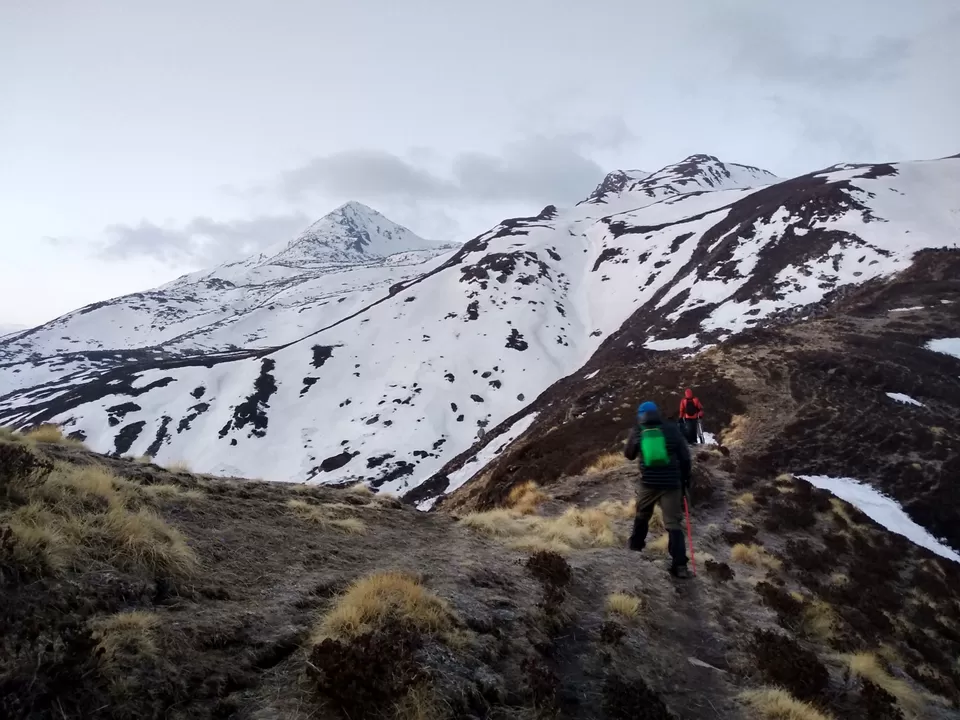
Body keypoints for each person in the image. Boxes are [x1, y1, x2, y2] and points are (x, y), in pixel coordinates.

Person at [623, 401, 693, 579]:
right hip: (671, 484)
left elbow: (629, 455)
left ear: (640, 415)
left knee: (642, 514)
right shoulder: (672, 429)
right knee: (673, 524)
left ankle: (635, 547)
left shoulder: (638, 430)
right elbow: (685, 458)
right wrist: (685, 479)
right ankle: (680, 565)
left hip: (648, 483)